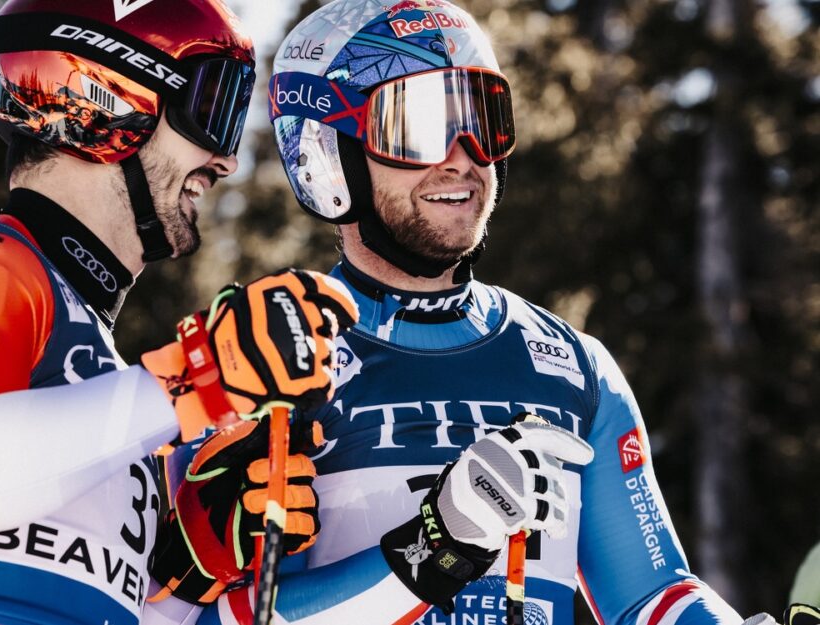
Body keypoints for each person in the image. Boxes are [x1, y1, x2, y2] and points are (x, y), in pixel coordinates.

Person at [145, 1, 759, 624]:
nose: (463, 157)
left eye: (482, 120)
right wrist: (433, 549)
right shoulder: (261, 356)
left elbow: (652, 595)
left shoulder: (575, 367)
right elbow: (190, 615)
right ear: (330, 154)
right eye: (416, 126)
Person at [0, 2, 357, 625]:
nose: (226, 160)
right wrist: (200, 377)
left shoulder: (100, 384)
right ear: (105, 98)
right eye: (212, 107)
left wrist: (188, 575)